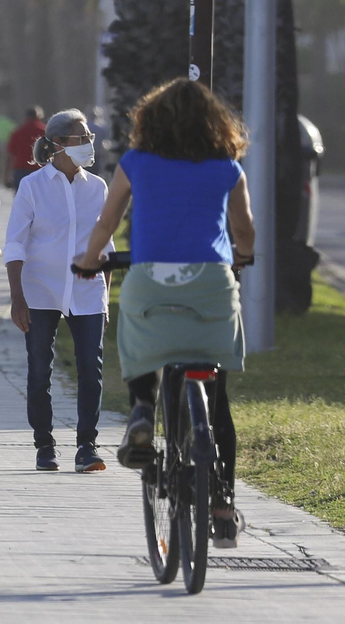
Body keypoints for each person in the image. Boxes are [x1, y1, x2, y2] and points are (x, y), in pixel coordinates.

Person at [76, 77, 255, 549]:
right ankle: (222, 507)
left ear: (149, 121)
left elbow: (108, 220)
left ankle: (140, 410)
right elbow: (245, 229)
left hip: (151, 280)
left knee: (138, 339)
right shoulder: (226, 167)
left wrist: (89, 261)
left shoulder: (136, 163)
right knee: (218, 406)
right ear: (216, 123)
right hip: (211, 285)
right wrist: (243, 257)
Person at [4, 109, 110, 473]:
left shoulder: (97, 187)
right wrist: (17, 298)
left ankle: (87, 446)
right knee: (38, 369)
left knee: (90, 370)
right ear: (60, 144)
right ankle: (44, 445)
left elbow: (103, 247)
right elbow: (15, 245)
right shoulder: (32, 186)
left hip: (86, 291)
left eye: (89, 138)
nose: (89, 144)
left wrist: (105, 298)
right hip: (40, 291)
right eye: (82, 138)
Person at [6, 105, 46, 188]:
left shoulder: (18, 132)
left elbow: (10, 155)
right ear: (39, 116)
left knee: (21, 199)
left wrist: (7, 175)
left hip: (21, 172)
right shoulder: (44, 131)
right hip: (39, 171)